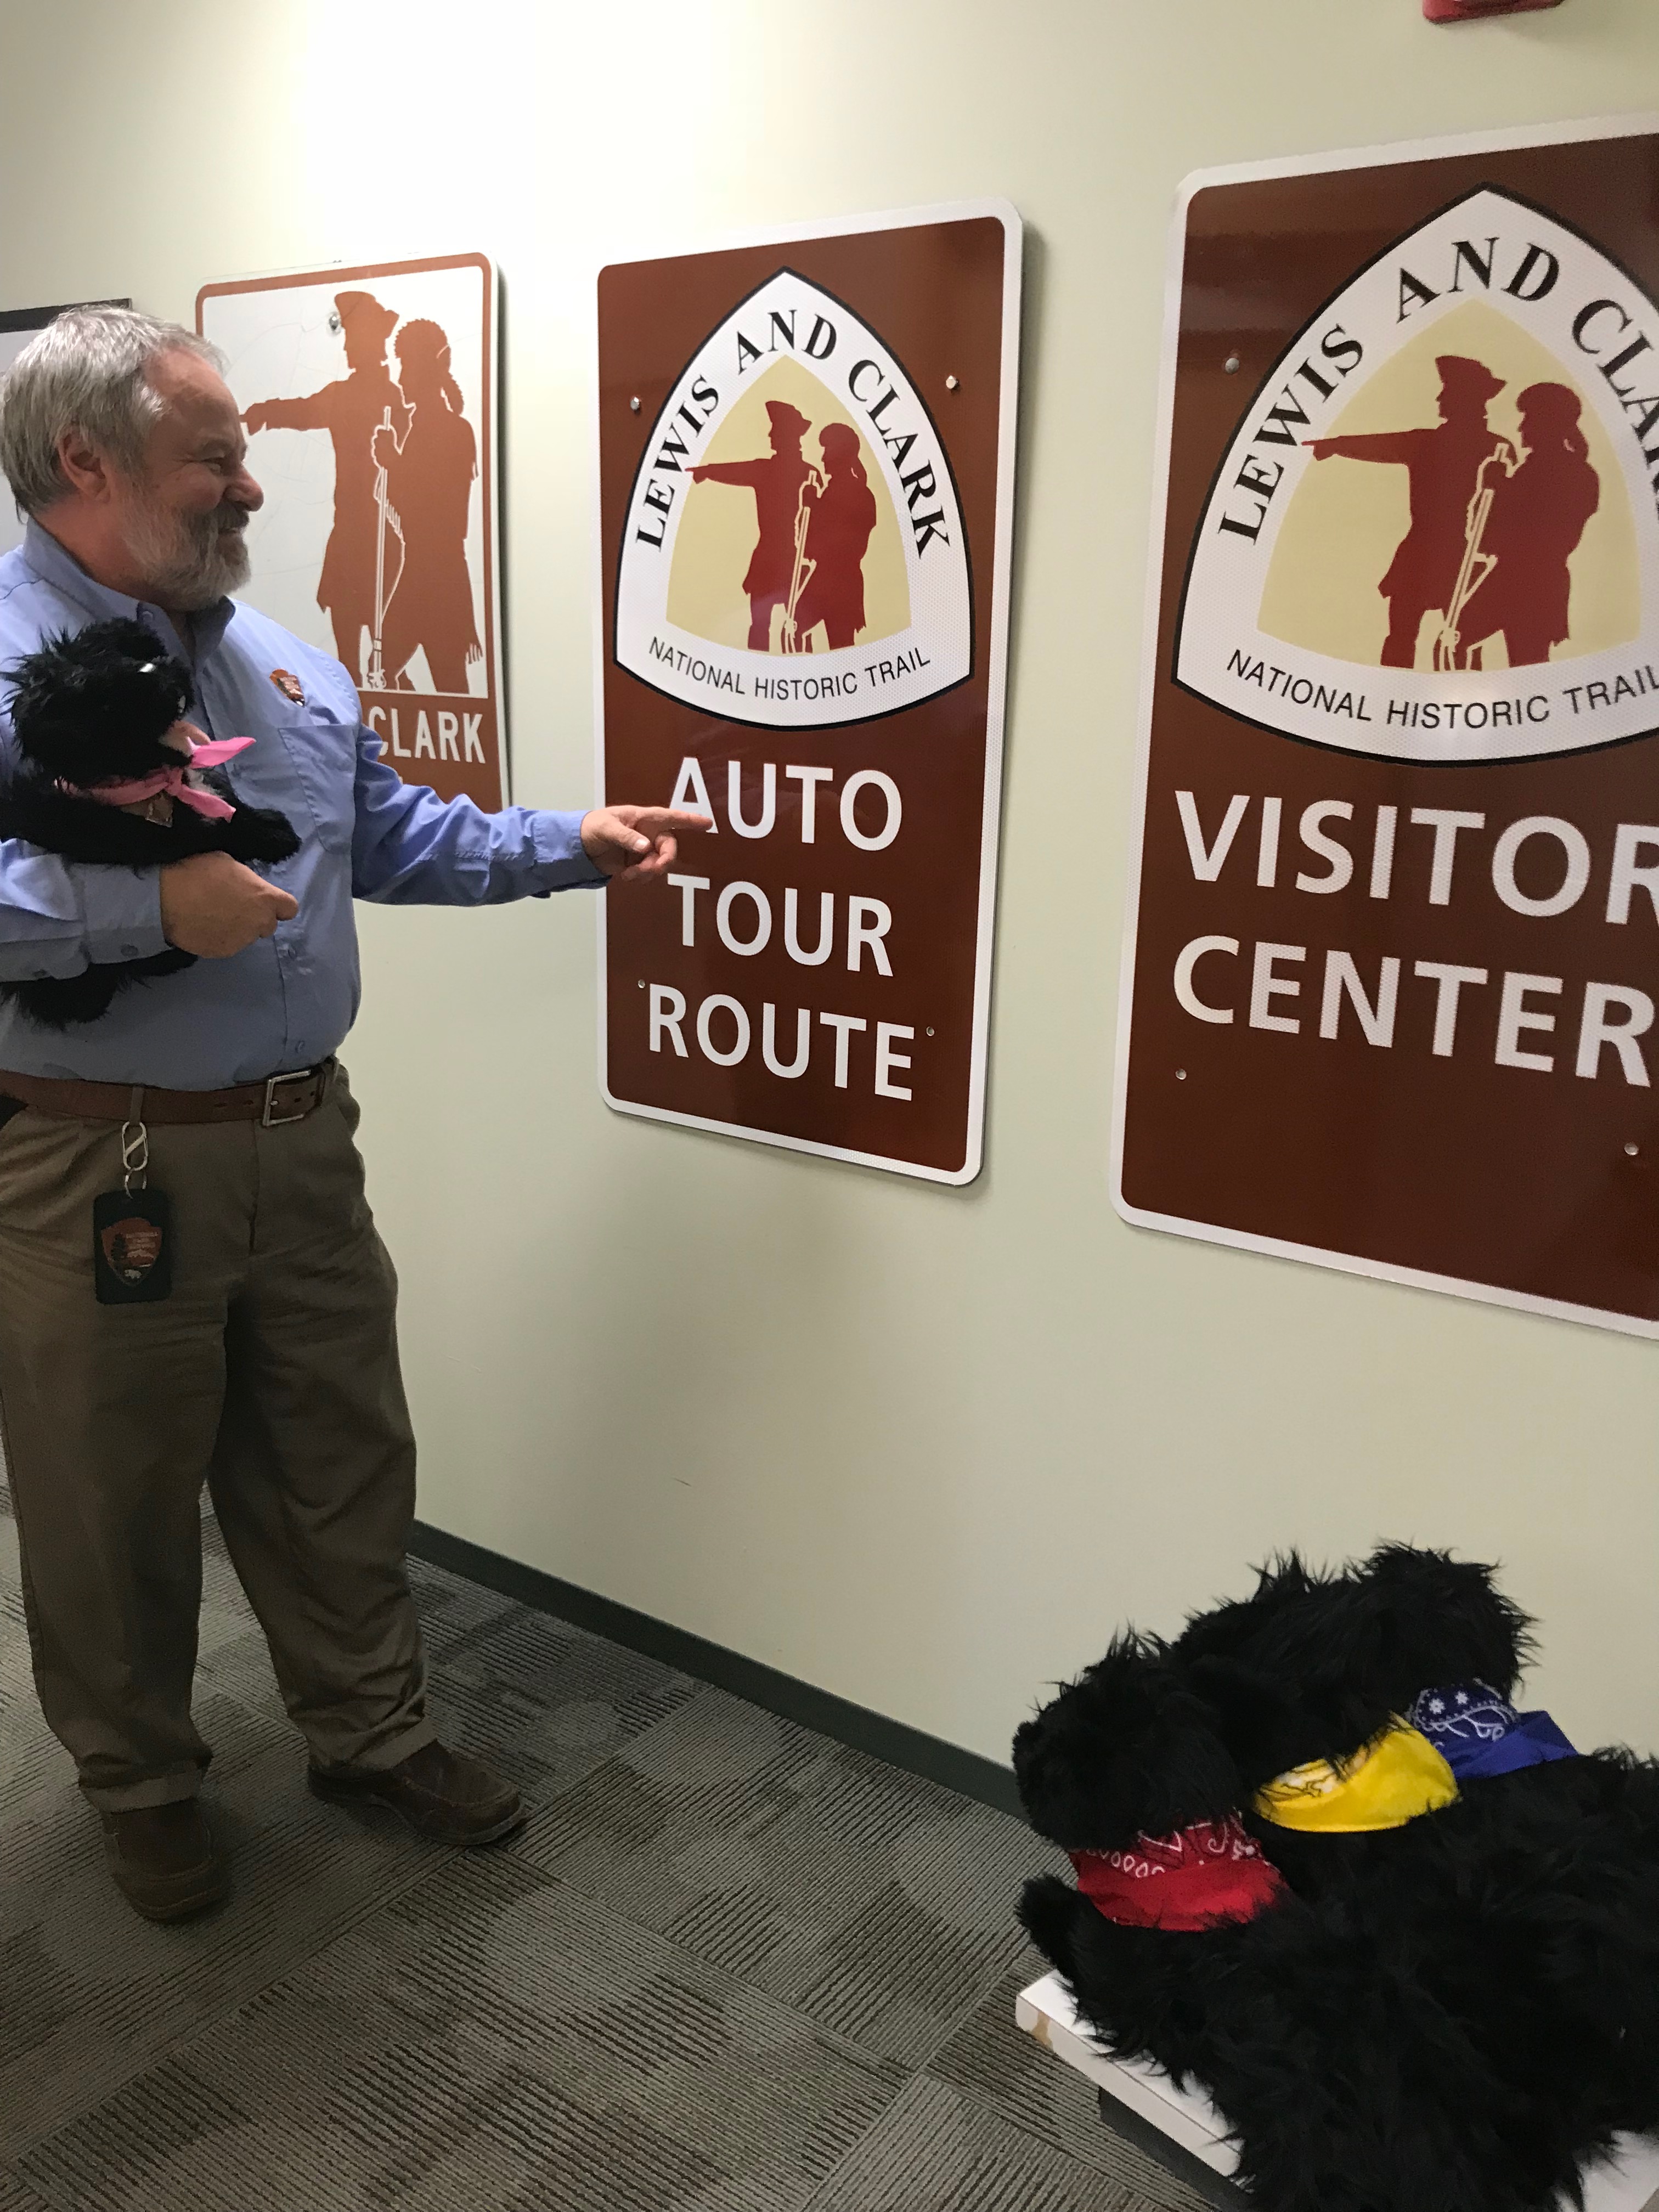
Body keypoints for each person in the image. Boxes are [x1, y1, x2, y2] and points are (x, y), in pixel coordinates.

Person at [0, 306, 708, 1923]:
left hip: (301, 1137)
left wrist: (560, 844)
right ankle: (143, 1784)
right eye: (217, 457)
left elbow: (377, 834)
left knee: (340, 1456)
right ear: (86, 461)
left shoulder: (272, 651)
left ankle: (369, 1735)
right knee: (109, 1503)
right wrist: (144, 914)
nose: (253, 486)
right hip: (99, 1157)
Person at [242, 289, 410, 679]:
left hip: (379, 528)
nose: (348, 347)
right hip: (350, 530)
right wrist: (259, 413)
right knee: (348, 640)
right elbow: (300, 410)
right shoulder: (349, 394)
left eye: (354, 338)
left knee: (384, 649)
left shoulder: (392, 400)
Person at [1306, 354, 1508, 669]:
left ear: (1464, 401)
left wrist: (1335, 445)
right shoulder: (1436, 442)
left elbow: (1511, 508)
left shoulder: (1493, 450)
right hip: (1423, 553)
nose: (1439, 399)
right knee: (1408, 638)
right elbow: (1379, 446)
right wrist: (1336, 445)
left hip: (1464, 555)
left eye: (1448, 393)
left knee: (1459, 641)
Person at [1451, 382, 1601, 668]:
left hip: (1535, 583)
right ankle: (1472, 698)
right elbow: (1482, 538)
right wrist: (1489, 489)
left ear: (1548, 423)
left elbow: (1543, 529)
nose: (1521, 428)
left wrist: (1500, 489)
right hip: (1511, 578)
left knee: (1528, 663)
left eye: (1529, 418)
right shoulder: (1533, 471)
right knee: (1455, 640)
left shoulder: (1575, 474)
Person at [368, 318, 481, 693]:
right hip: (425, 571)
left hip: (437, 575)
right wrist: (393, 463)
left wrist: (392, 463)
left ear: (428, 367)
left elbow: (441, 513)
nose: (401, 379)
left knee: (397, 672)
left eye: (407, 365)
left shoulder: (453, 431)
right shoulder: (421, 429)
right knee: (386, 671)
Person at [690, 399, 816, 650]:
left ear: (787, 436)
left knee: (799, 629)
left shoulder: (808, 475)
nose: (770, 435)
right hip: (771, 559)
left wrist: (706, 471)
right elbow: (735, 472)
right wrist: (706, 471)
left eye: (776, 430)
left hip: (796, 560)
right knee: (763, 625)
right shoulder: (786, 471)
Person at [789, 422, 878, 651]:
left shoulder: (859, 495)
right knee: (795, 630)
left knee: (839, 647)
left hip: (840, 584)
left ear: (841, 454)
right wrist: (808, 507)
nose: (823, 458)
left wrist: (814, 507)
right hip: (827, 580)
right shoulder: (834, 492)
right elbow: (807, 546)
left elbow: (845, 546)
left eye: (827, 451)